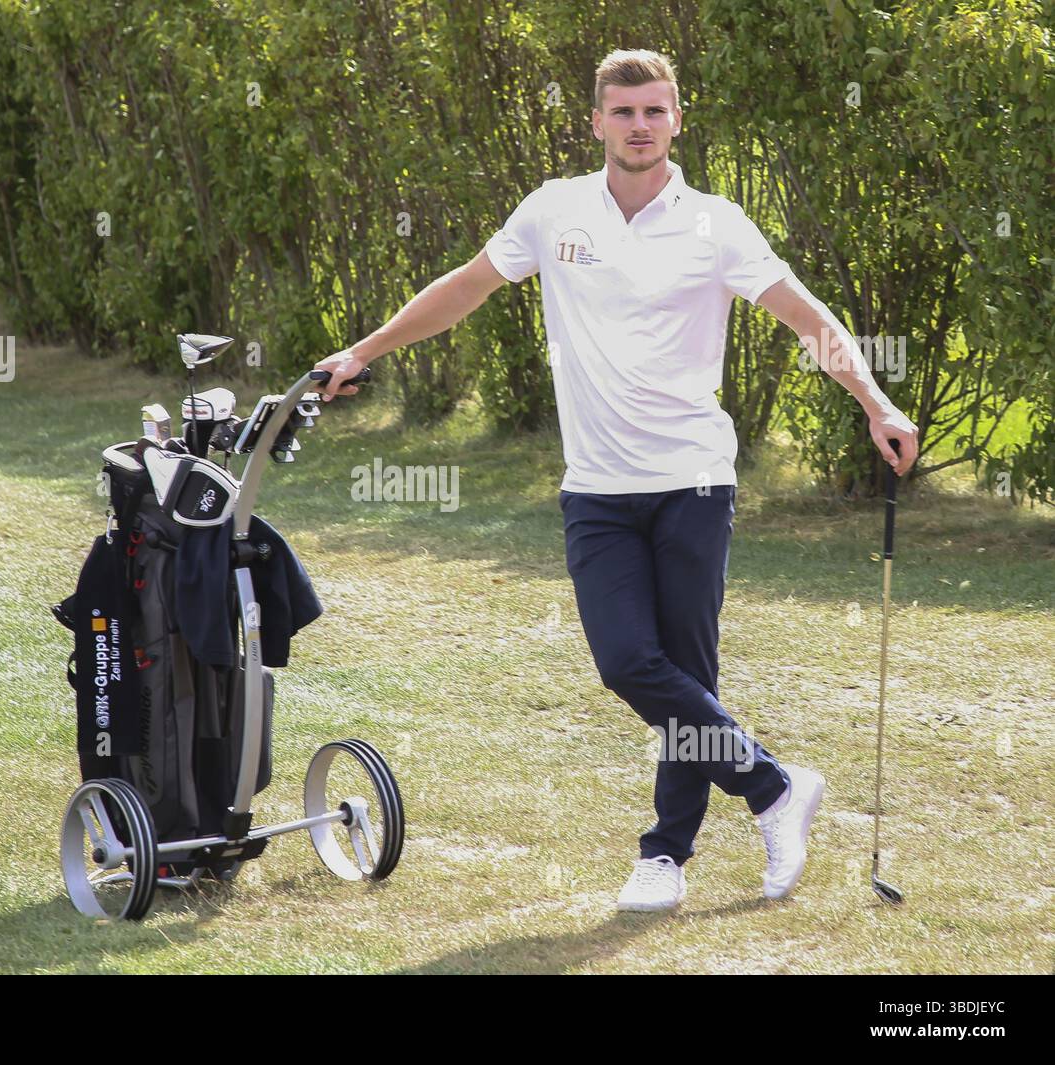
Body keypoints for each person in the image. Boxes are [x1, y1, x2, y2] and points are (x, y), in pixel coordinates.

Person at [314, 48, 919, 911]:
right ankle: (777, 787)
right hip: (596, 486)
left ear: (677, 119)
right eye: (624, 111)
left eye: (655, 111)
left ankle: (665, 856)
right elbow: (467, 287)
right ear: (596, 121)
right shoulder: (553, 210)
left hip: (693, 480)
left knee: (685, 668)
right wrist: (364, 350)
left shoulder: (717, 223)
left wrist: (874, 400)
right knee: (630, 662)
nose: (640, 125)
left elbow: (802, 314)